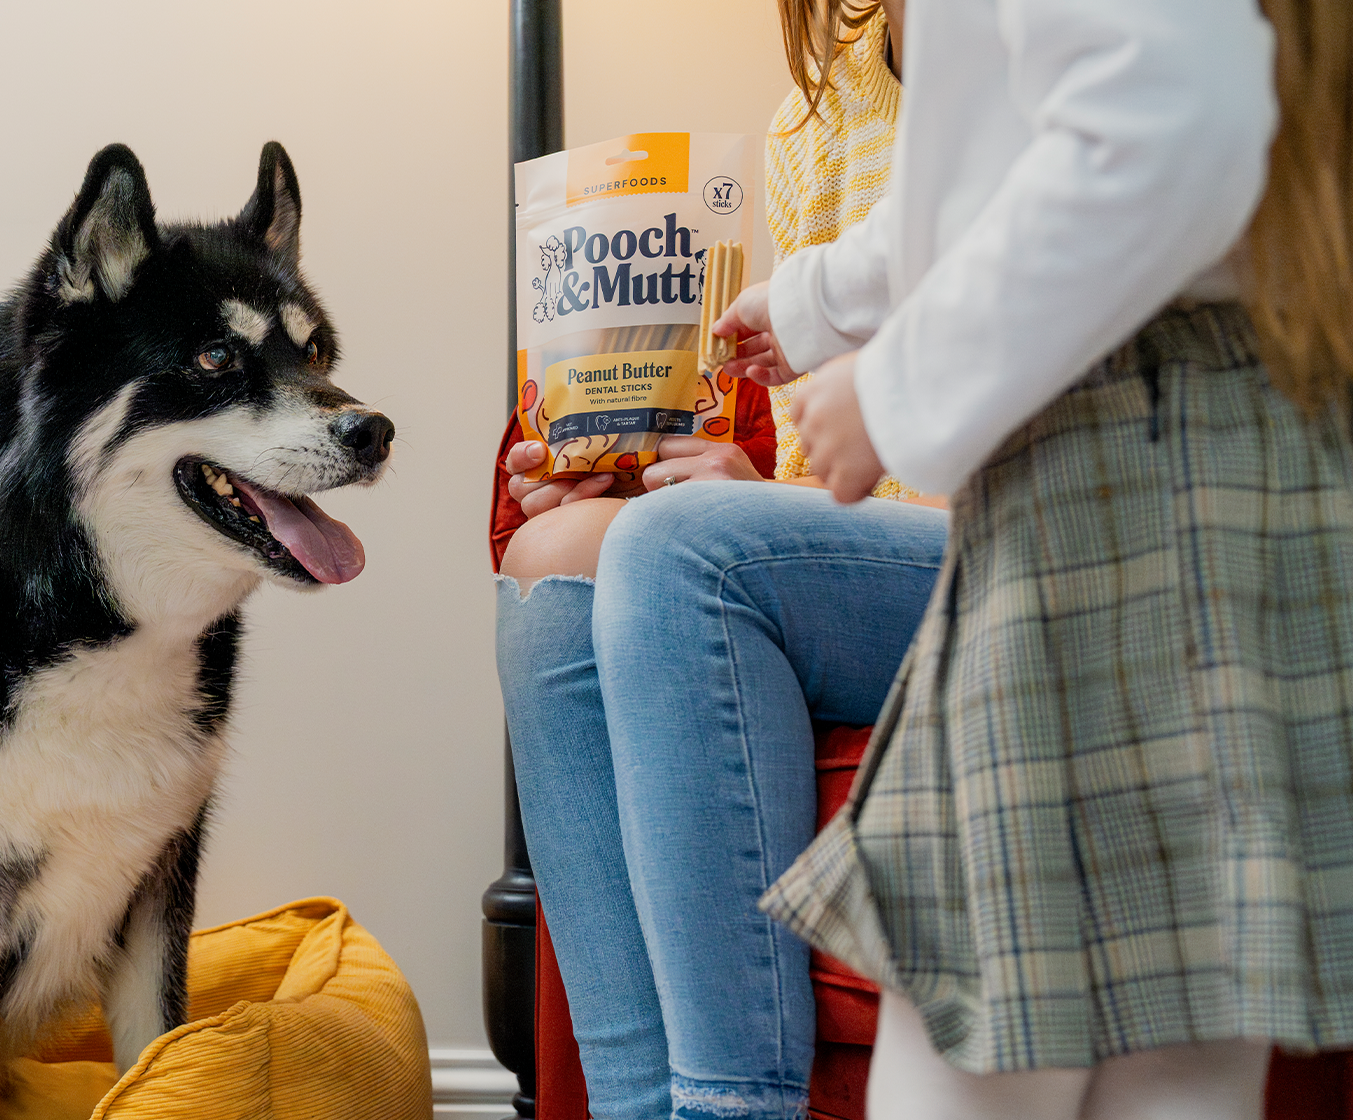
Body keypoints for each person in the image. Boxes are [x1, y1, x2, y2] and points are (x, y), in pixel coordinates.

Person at [722, 1, 1353, 1117]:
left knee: (968, 1018)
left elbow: (1168, 117)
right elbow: (1012, 164)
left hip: (1112, 453)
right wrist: (816, 302)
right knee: (1179, 1033)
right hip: (1234, 429)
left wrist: (891, 386)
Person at [493, 3, 946, 1116]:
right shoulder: (816, 115)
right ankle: (633, 1103)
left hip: (995, 534)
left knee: (682, 554)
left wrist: (760, 514)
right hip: (854, 539)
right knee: (553, 567)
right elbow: (804, 439)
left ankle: (727, 1103)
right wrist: (644, 469)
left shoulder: (1023, 61)